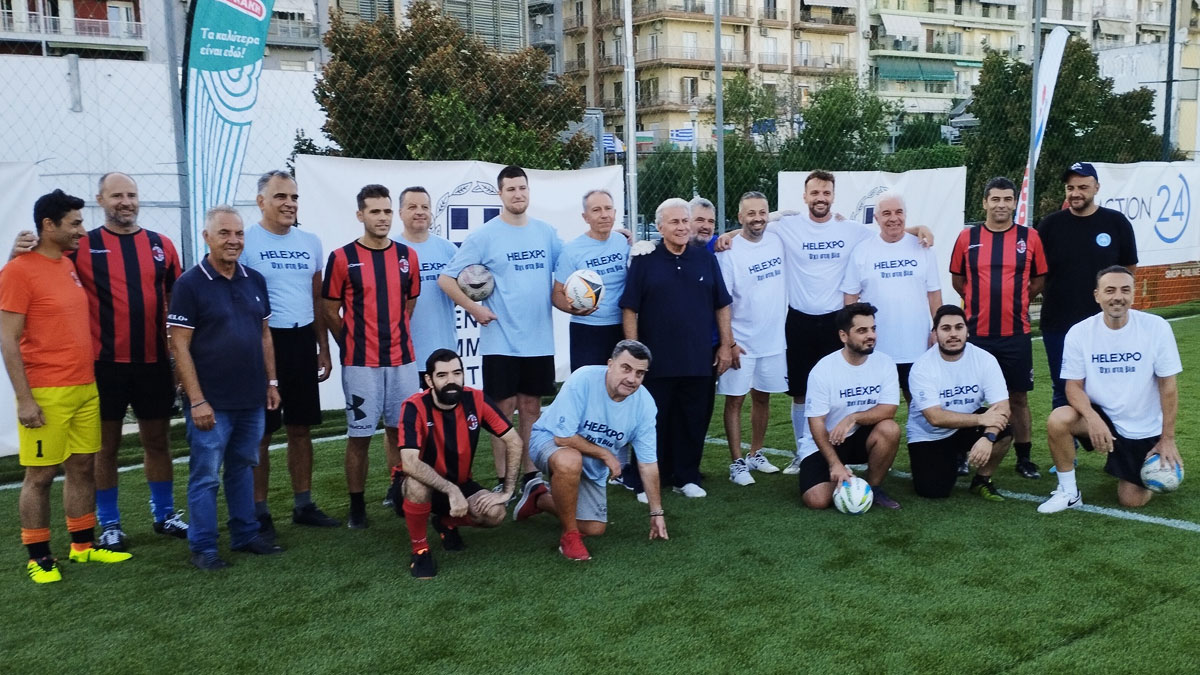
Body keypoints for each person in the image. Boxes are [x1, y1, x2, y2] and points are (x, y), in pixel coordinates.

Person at [9, 172, 188, 551]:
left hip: (153, 361)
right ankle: (109, 523)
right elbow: (37, 267)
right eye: (117, 195)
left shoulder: (162, 245)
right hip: (102, 366)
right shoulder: (80, 245)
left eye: (131, 195)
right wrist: (15, 252)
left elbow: (177, 300)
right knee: (103, 449)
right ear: (101, 200)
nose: (126, 202)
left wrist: (177, 354)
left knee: (157, 441)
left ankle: (165, 514)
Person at [714, 171, 932, 475]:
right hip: (799, 320)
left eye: (826, 193)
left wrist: (919, 228)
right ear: (805, 196)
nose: (820, 198)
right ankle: (803, 453)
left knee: (838, 388)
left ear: (833, 196)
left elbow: (887, 230)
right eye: (815, 193)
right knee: (801, 392)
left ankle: (846, 447)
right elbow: (755, 227)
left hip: (835, 321)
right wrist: (727, 235)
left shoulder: (849, 229)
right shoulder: (788, 226)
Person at [1, 189, 132, 584]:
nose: (81, 230)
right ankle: (38, 557)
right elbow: (7, 338)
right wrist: (25, 399)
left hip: (84, 387)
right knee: (40, 475)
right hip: (46, 392)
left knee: (82, 467)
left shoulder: (67, 264)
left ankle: (82, 546)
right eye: (74, 223)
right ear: (48, 225)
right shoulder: (18, 271)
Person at [439, 166, 585, 492]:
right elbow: (446, 279)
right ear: (500, 194)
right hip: (500, 340)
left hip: (538, 339)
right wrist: (475, 308)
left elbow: (571, 259)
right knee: (501, 411)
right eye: (511, 189)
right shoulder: (485, 235)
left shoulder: (545, 232)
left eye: (522, 188)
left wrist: (614, 235)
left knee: (531, 408)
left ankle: (531, 476)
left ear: (528, 191)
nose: (518, 194)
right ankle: (504, 479)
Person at [168, 206, 284, 569]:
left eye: (239, 233)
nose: (233, 240)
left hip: (251, 397)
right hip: (211, 403)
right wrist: (197, 400)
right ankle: (203, 547)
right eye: (224, 233)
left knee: (243, 466)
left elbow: (264, 335)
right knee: (205, 476)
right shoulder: (189, 284)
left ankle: (245, 534)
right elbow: (179, 346)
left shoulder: (254, 280)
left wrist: (271, 382)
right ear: (207, 237)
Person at [241, 169, 337, 542]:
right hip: (262, 344)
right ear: (261, 201)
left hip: (301, 341)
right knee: (261, 432)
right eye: (280, 196)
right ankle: (259, 512)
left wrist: (323, 348)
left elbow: (317, 299)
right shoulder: (246, 241)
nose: (289, 204)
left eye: (294, 197)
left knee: (301, 427)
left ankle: (303, 505)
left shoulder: (310, 242)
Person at [1038, 266, 1182, 513]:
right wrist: (1092, 419)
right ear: (1097, 295)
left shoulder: (1156, 327)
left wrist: (1167, 439)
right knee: (1059, 418)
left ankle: (1138, 467)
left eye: (1125, 290)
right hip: (1101, 415)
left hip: (1142, 426)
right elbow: (1073, 386)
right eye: (1110, 290)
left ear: (1133, 294)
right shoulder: (1080, 332)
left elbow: (1168, 385)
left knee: (1131, 500)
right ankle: (1069, 492)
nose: (1118, 297)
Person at [620, 198, 734, 499]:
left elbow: (722, 304)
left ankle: (687, 477)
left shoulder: (705, 259)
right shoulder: (645, 260)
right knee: (651, 423)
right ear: (660, 228)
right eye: (674, 222)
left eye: (685, 221)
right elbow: (630, 308)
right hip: (656, 361)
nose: (682, 227)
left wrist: (726, 345)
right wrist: (633, 353)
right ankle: (645, 482)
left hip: (698, 359)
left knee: (693, 420)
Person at [322, 184, 421, 529]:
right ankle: (357, 506)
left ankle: (397, 491)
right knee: (360, 435)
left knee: (400, 432)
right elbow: (329, 309)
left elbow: (409, 303)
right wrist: (351, 342)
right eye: (375, 211)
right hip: (361, 364)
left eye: (387, 211)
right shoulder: (342, 257)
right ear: (360, 215)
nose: (382, 218)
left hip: (402, 361)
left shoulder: (407, 256)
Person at [514, 340, 667, 561]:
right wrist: (606, 454)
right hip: (550, 440)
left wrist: (657, 512)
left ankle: (538, 497)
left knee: (594, 528)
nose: (632, 379)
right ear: (610, 364)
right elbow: (562, 437)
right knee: (570, 460)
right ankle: (570, 536)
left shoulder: (645, 405)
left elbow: (648, 463)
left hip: (592, 460)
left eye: (639, 373)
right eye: (626, 368)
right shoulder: (584, 379)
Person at [949, 177, 1047, 480]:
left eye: (1007, 199)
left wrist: (1017, 300)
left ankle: (1024, 457)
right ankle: (962, 454)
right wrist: (978, 301)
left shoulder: (1030, 237)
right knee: (969, 398)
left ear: (1015, 203)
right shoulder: (967, 237)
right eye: (995, 199)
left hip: (1015, 334)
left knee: (1018, 397)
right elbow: (958, 281)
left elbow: (1038, 280)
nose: (1001, 205)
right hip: (976, 335)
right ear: (984, 203)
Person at [395, 349, 523, 578]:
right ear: (429, 381)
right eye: (442, 375)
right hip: (418, 485)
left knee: (495, 513)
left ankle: (445, 522)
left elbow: (514, 441)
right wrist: (450, 490)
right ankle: (420, 550)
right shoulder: (414, 406)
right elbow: (410, 463)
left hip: (460, 483)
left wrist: (507, 490)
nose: (451, 380)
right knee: (417, 484)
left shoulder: (476, 399)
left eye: (456, 373)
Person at [1036, 162, 1138, 410]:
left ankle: (1110, 434)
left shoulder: (1116, 223)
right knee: (1064, 389)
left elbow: (1128, 270)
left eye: (1082, 187)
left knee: (1107, 389)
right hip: (1059, 323)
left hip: (1105, 325)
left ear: (1096, 187)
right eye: (1070, 188)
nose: (1075, 193)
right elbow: (1037, 272)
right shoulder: (1050, 225)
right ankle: (1066, 435)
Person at [796, 302, 902, 510]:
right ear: (843, 336)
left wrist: (853, 417)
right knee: (817, 500)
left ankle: (873, 487)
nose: (871, 335)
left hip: (861, 437)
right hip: (827, 440)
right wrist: (834, 464)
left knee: (890, 429)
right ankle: (843, 475)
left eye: (873, 329)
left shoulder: (885, 363)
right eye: (862, 331)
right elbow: (816, 422)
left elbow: (889, 409)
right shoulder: (823, 370)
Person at [841, 190, 941, 398]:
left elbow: (934, 295)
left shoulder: (923, 248)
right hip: (875, 347)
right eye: (886, 213)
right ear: (876, 218)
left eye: (899, 212)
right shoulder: (862, 251)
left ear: (906, 214)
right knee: (876, 405)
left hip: (917, 345)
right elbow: (850, 299)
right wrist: (855, 335)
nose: (894, 218)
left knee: (920, 404)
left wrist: (937, 329)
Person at [906, 305, 1013, 500]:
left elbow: (1003, 407)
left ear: (967, 331)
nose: (953, 334)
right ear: (935, 333)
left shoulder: (985, 360)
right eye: (946, 328)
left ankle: (982, 480)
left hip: (966, 426)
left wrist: (988, 437)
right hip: (930, 434)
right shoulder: (922, 367)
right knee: (933, 492)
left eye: (959, 327)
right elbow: (935, 417)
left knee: (1004, 430)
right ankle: (953, 457)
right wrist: (981, 420)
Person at [716, 192, 785, 485]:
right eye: (751, 213)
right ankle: (736, 463)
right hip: (741, 342)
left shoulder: (778, 238)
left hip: (773, 341)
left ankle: (756, 453)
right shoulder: (729, 252)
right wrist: (729, 342)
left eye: (762, 212)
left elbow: (791, 214)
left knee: (762, 397)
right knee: (735, 400)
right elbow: (723, 303)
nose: (758, 218)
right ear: (740, 217)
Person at [553, 189, 629, 371]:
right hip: (587, 329)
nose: (604, 215)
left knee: (622, 383)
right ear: (585, 217)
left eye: (608, 209)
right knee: (589, 382)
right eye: (596, 210)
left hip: (623, 327)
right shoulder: (572, 250)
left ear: (615, 213)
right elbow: (557, 294)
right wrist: (574, 309)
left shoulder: (625, 242)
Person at [393, 186, 458, 382]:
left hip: (443, 355)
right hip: (405, 355)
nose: (420, 212)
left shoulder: (449, 249)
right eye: (412, 207)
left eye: (425, 207)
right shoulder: (391, 250)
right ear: (400, 213)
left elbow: (458, 294)